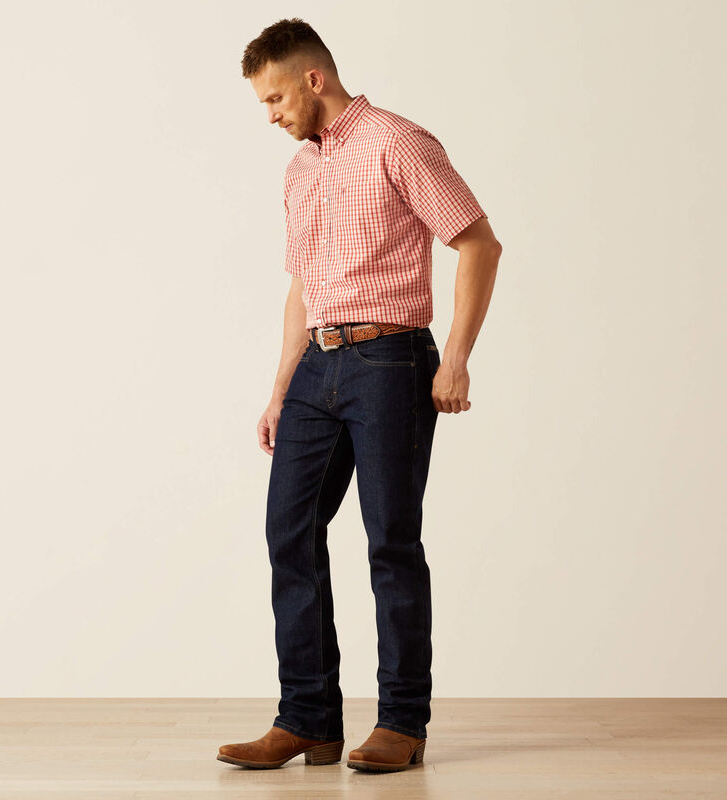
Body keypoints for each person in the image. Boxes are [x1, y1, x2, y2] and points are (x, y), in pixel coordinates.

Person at [217, 17, 502, 773]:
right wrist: (281, 389)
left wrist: (457, 359)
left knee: (390, 542)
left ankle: (402, 723)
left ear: (313, 79)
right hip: (318, 365)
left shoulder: (398, 142)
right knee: (289, 532)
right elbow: (302, 287)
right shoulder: (299, 171)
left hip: (391, 362)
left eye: (275, 98)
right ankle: (308, 720)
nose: (270, 115)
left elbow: (478, 242)